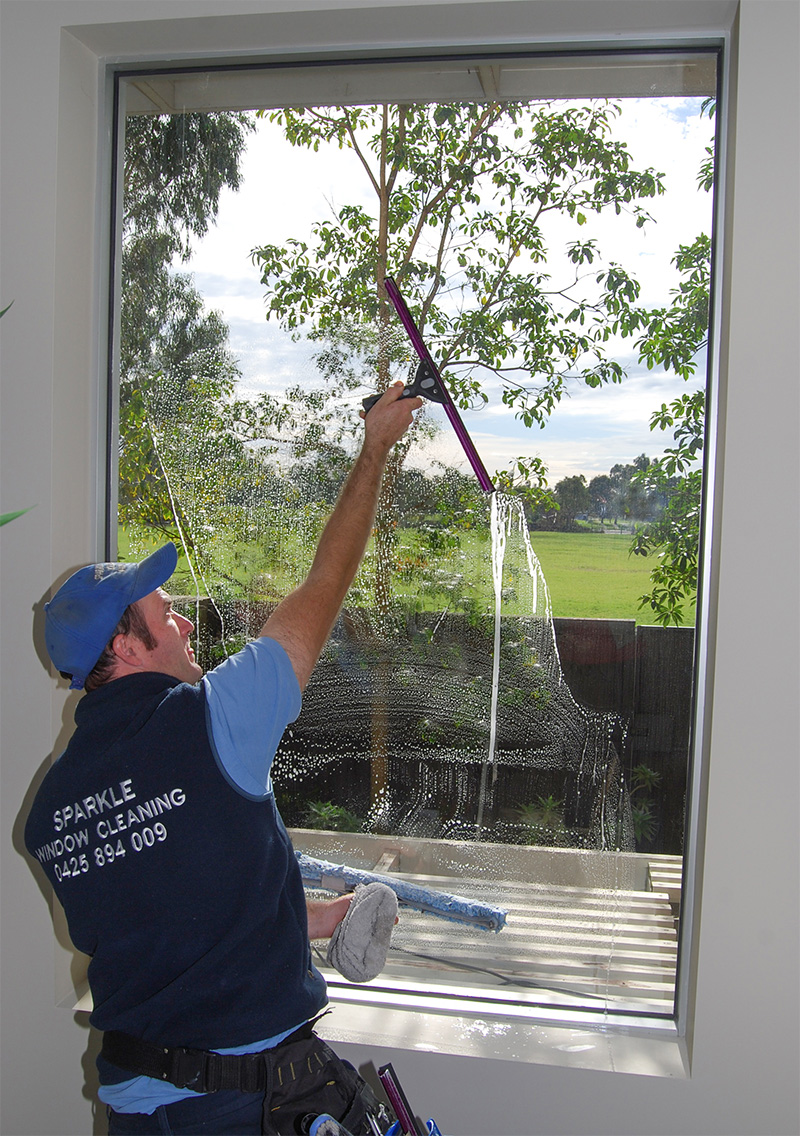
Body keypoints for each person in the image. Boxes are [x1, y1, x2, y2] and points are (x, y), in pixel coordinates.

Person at [24, 383, 422, 1136]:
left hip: (137, 1112)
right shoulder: (212, 722)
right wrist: (375, 450)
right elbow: (323, 587)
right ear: (123, 644)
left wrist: (319, 918)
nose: (180, 623)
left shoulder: (50, 813)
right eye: (161, 613)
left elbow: (176, 917)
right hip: (244, 1108)